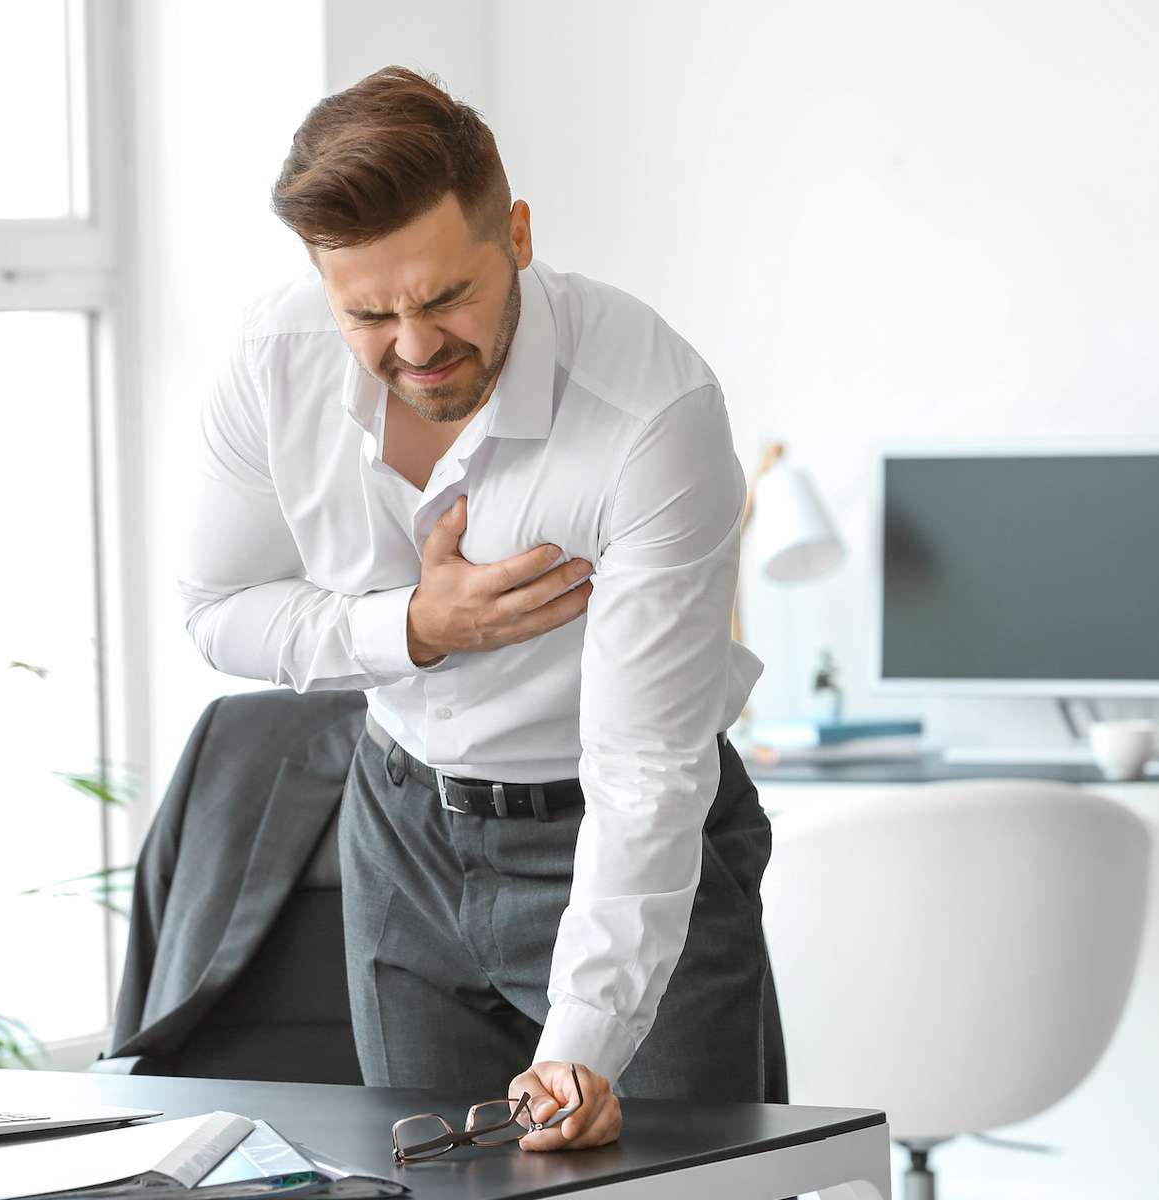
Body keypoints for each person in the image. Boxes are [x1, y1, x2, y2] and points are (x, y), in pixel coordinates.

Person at [179, 66, 771, 1152]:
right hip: (403, 826)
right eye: (367, 312)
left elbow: (645, 770)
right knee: (427, 1183)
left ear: (518, 237)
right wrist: (410, 629)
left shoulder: (652, 412)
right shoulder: (272, 361)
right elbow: (217, 610)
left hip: (617, 829)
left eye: (446, 297)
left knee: (688, 1181)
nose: (413, 348)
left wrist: (583, 1039)